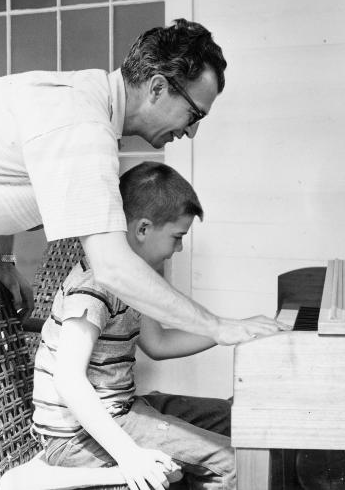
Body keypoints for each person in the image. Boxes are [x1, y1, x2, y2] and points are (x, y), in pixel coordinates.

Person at [0, 19, 287, 490]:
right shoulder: (82, 123)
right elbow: (112, 265)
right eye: (194, 115)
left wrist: (3, 260)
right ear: (157, 87)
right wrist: (218, 326)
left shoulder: (88, 113)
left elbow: (12, 176)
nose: (190, 133)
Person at [33, 161, 238, 490]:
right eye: (177, 237)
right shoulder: (93, 287)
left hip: (121, 408)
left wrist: (224, 331)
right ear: (143, 229)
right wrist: (130, 456)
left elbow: (157, 344)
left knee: (234, 417)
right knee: (230, 464)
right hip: (75, 439)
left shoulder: (135, 280)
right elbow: (68, 380)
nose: (179, 248)